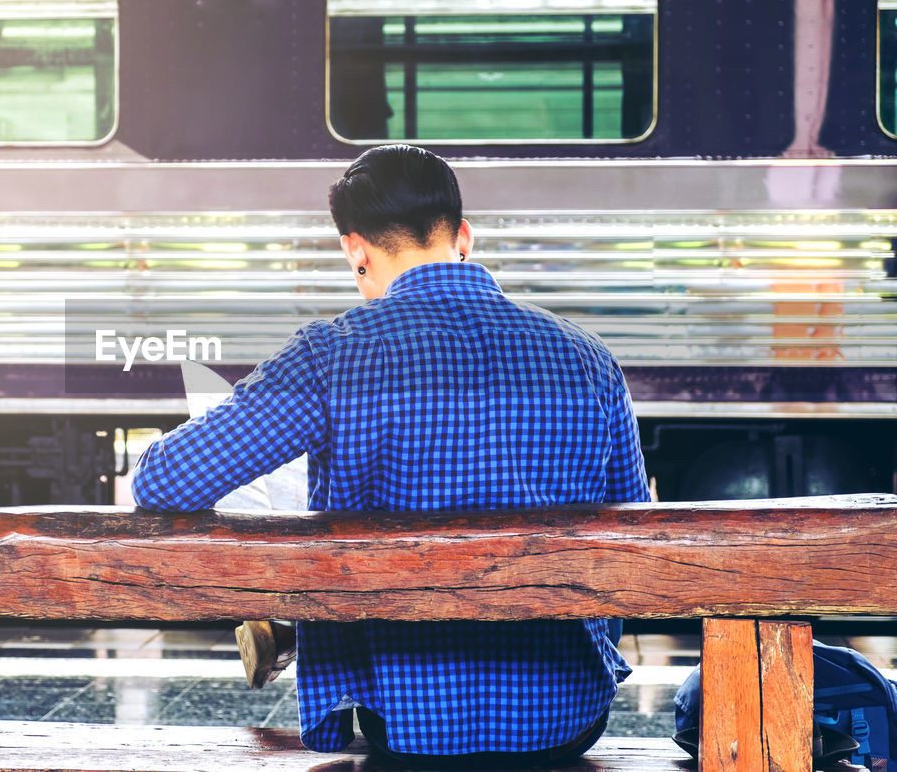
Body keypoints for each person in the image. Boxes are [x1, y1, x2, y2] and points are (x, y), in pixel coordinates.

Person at [132, 144, 650, 766]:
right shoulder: (587, 358)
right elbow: (634, 534)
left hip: (409, 726)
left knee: (303, 480)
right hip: (566, 718)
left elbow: (165, 483)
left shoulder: (331, 355)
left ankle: (286, 625)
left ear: (356, 248)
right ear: (462, 235)